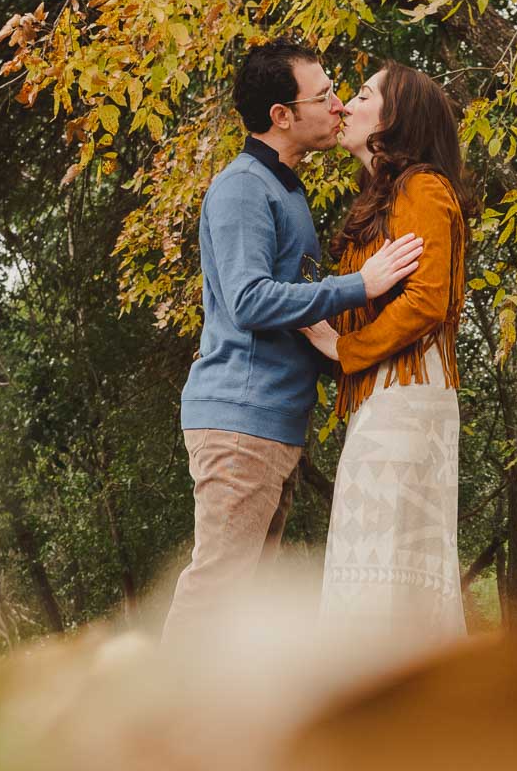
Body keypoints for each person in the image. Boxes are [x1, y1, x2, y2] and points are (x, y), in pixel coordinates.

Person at [162, 40, 425, 644]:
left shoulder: (286, 190)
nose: (337, 104)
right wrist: (360, 285)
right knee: (217, 591)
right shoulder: (242, 188)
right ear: (282, 115)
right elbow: (250, 300)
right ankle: (152, 730)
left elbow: (298, 313)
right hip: (238, 419)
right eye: (324, 94)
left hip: (273, 423)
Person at [300, 62, 480, 641]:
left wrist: (346, 348)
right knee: (370, 569)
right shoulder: (384, 197)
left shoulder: (423, 188)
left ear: (394, 118)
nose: (345, 106)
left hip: (406, 398)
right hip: (384, 399)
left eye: (361, 94)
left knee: (388, 573)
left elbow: (428, 300)